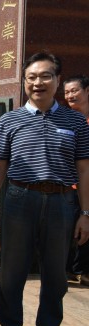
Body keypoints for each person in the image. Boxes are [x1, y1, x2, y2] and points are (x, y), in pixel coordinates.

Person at [0, 52, 89, 326]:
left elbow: (85, 169)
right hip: (19, 199)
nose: (38, 82)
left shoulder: (76, 121)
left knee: (55, 274)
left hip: (62, 202)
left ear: (58, 81)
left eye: (45, 76)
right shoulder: (9, 120)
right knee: (12, 271)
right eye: (32, 77)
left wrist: (85, 213)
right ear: (24, 82)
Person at [64, 75, 89, 286]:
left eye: (74, 90)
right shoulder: (65, 121)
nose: (70, 95)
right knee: (68, 229)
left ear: (87, 91)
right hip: (69, 186)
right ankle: (70, 269)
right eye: (66, 92)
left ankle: (83, 270)